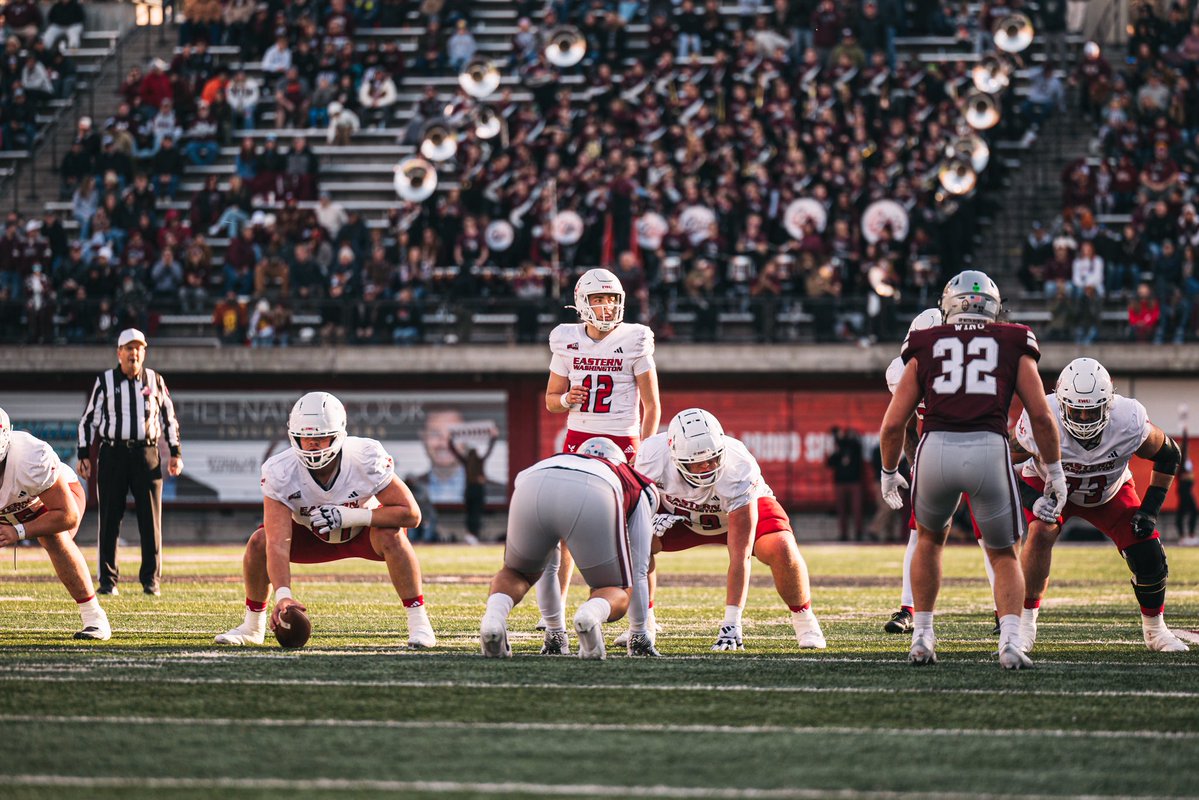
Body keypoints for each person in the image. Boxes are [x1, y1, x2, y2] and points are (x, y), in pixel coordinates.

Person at [879, 270, 1065, 669]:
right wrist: (1056, 472)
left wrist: (889, 470)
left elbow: (895, 423)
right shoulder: (1014, 338)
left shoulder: (925, 341)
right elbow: (1042, 418)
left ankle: (923, 636)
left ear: (949, 304)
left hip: (935, 451)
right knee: (1003, 554)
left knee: (928, 541)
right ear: (993, 306)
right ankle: (1011, 641)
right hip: (988, 449)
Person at [215, 392, 436, 648]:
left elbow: (411, 514)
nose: (312, 445)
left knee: (391, 534)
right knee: (259, 541)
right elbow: (277, 541)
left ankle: (419, 623)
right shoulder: (281, 470)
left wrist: (351, 516)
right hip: (311, 534)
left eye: (320, 437)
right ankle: (253, 627)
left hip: (363, 533)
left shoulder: (364, 456)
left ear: (338, 434)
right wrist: (283, 596)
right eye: (306, 437)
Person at [1012, 358, 1189, 653]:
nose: (1083, 418)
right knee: (1041, 531)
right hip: (1050, 488)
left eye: (1091, 410)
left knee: (1147, 550)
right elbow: (998, 462)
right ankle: (1025, 624)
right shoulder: (1041, 416)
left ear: (1108, 405)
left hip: (1108, 492)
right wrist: (1033, 500)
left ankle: (1156, 630)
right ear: (1060, 402)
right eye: (1076, 410)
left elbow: (1170, 455)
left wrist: (1150, 510)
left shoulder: (1127, 419)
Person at [618, 408, 826, 652]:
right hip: (681, 516)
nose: (707, 467)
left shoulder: (738, 466)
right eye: (697, 464)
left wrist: (732, 623)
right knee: (636, 541)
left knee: (781, 547)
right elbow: (632, 511)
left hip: (731, 514)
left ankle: (805, 621)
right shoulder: (652, 456)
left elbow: (741, 556)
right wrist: (648, 518)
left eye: (713, 459)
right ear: (675, 457)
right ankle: (644, 623)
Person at [535, 268, 662, 647]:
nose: (606, 307)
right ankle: (553, 614)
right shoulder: (566, 340)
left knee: (636, 534)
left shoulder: (635, 339)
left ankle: (647, 617)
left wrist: (644, 454)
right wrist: (565, 401)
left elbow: (652, 406)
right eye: (598, 299)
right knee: (566, 531)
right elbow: (550, 400)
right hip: (579, 438)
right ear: (581, 303)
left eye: (611, 299)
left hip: (623, 441)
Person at [479, 437, 658, 660]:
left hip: (533, 482)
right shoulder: (629, 476)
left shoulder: (557, 459)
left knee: (517, 573)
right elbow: (639, 568)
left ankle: (497, 620)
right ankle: (590, 616)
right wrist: (640, 632)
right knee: (616, 587)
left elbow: (549, 566)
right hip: (597, 489)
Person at [882, 308, 999, 636]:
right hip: (935, 452)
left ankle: (1004, 610)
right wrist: (914, 459)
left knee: (991, 534)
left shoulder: (974, 368)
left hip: (980, 446)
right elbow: (902, 421)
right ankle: (909, 608)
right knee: (920, 533)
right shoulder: (900, 371)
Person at [76, 328, 183, 596]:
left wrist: (175, 452)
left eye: (139, 348)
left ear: (144, 352)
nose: (134, 352)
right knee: (110, 517)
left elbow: (168, 417)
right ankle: (108, 581)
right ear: (119, 352)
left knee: (151, 520)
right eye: (129, 348)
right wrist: (83, 454)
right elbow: (89, 419)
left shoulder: (155, 380)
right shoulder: (105, 381)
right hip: (113, 453)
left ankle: (151, 581)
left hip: (146, 455)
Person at [0, 408, 112, 640]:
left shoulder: (30, 457)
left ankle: (94, 618)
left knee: (54, 536)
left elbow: (66, 515)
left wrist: (19, 531)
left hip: (49, 501)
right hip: (9, 509)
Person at [449, 434, 495, 545]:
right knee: (476, 513)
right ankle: (474, 535)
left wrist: (450, 440)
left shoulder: (466, 462)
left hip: (469, 490)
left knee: (470, 513)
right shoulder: (479, 461)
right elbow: (489, 450)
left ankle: (470, 534)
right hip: (478, 490)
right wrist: (493, 437)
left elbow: (455, 452)